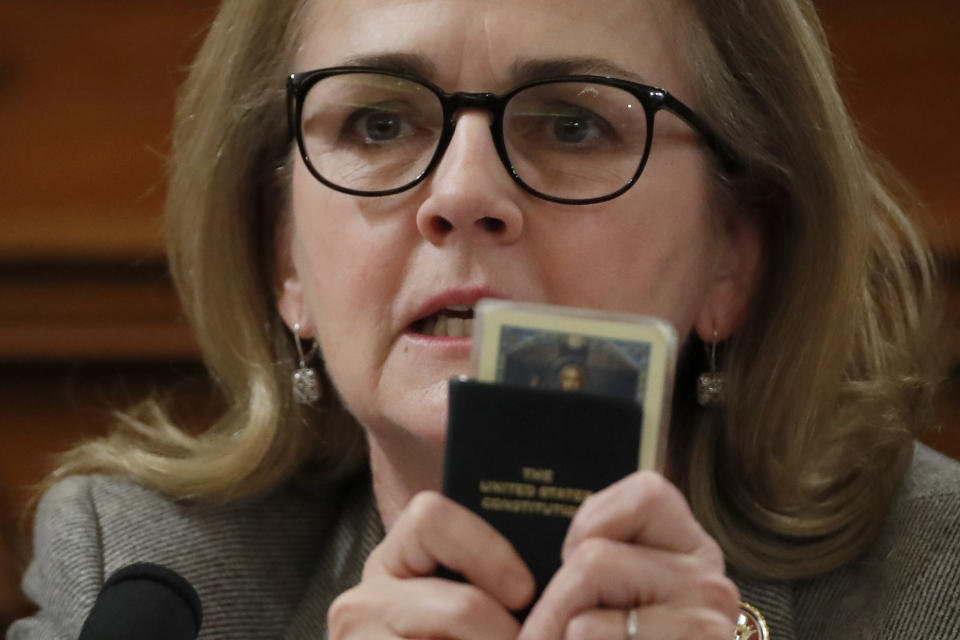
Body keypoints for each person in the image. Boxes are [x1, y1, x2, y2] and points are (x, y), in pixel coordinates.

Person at [8, 0, 959, 638]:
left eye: (573, 124)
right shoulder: (145, 581)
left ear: (734, 255)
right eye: (379, 124)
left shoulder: (935, 575)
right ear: (283, 255)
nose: (463, 193)